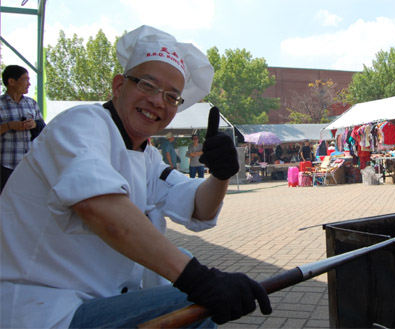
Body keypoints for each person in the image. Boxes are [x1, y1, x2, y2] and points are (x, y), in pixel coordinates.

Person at [0, 25, 270, 328]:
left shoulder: (148, 156)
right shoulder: (81, 124)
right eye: (148, 85)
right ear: (119, 86)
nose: (158, 101)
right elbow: (101, 210)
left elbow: (198, 207)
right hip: (44, 308)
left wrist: (220, 176)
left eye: (171, 96)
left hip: (100, 302)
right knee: (194, 309)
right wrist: (200, 280)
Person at [0, 65, 45, 193]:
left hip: (29, 164)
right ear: (11, 81)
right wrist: (9, 126)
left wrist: (34, 125)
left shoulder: (32, 103)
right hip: (5, 165)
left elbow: (43, 128)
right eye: (25, 79)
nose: (29, 84)